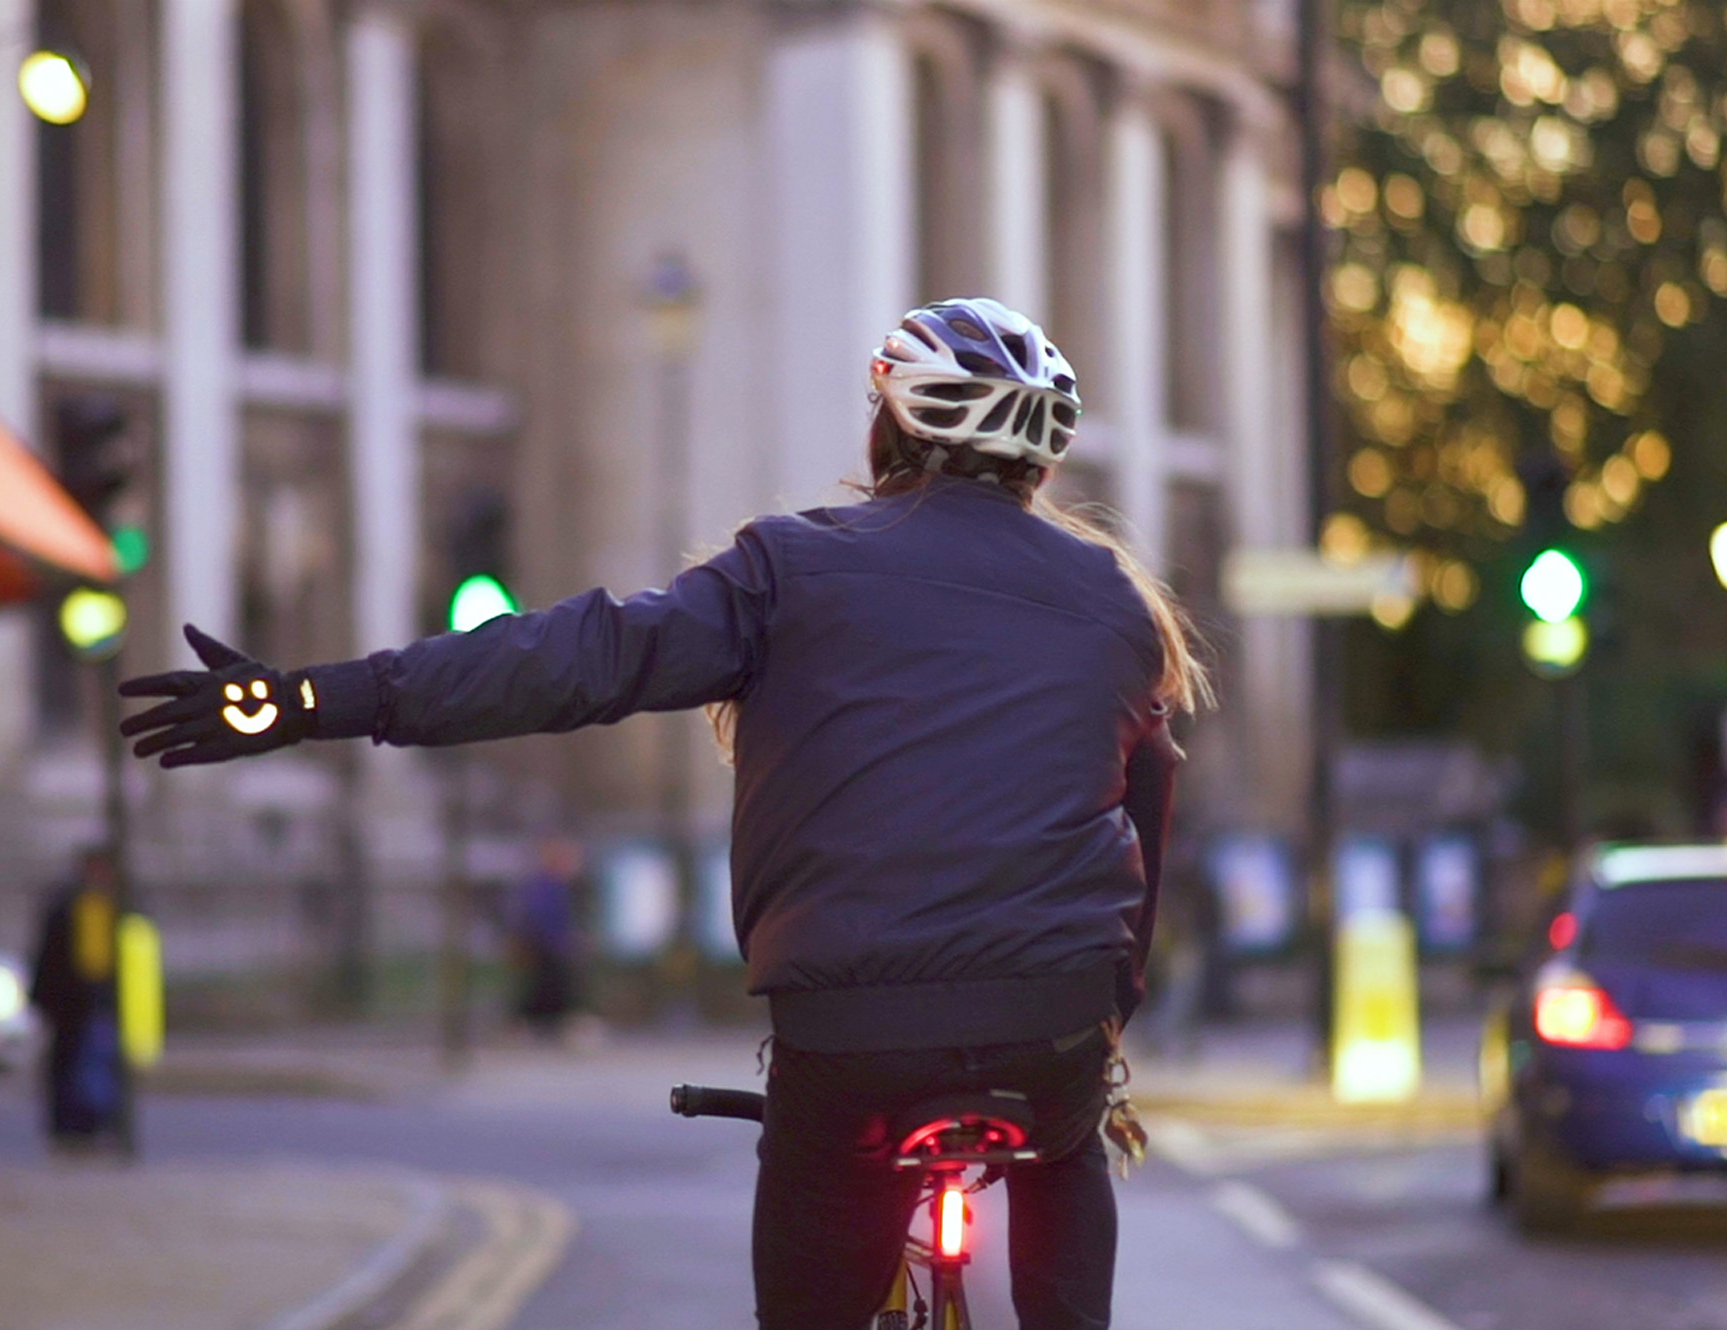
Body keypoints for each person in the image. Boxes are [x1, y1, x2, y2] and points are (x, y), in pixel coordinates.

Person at [119, 297, 1204, 1330]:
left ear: (892, 425)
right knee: (1067, 1151)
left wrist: (312, 698)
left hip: (852, 1035)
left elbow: (576, 660)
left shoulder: (792, 568)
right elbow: (1146, 812)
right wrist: (1106, 1012)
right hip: (1048, 1022)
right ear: (1040, 462)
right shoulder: (1113, 599)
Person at [28, 849, 124, 1147]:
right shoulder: (68, 905)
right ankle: (71, 1127)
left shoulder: (110, 905)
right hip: (70, 1005)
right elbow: (49, 957)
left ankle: (95, 1123)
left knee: (97, 1065)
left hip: (95, 1003)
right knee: (69, 1067)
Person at [508, 837, 584, 1038]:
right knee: (545, 984)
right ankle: (525, 1023)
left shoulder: (557, 887)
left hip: (552, 945)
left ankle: (546, 1023)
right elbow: (539, 917)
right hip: (545, 946)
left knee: (551, 986)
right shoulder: (544, 886)